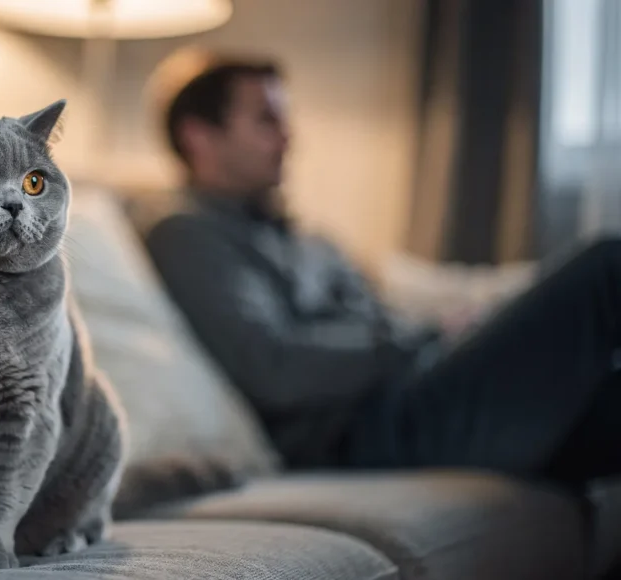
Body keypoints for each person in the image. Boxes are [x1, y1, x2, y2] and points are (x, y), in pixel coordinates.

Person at [142, 54, 621, 485]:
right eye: (267, 120)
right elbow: (275, 369)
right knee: (606, 266)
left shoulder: (307, 239)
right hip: (371, 427)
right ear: (198, 136)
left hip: (414, 386)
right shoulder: (187, 234)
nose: (289, 136)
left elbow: (378, 316)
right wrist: (425, 336)